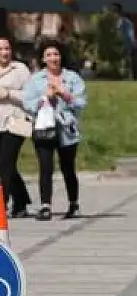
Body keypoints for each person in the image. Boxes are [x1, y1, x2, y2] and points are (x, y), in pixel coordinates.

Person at [22, 39, 86, 221]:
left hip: (67, 128)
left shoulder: (72, 78)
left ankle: (73, 203)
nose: (53, 58)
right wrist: (44, 98)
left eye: (56, 54)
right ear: (43, 59)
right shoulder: (35, 80)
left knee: (68, 167)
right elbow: (27, 104)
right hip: (44, 127)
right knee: (45, 167)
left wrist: (65, 94)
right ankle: (45, 205)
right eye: (49, 55)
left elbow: (82, 103)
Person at [0, 37, 33, 218]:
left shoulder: (20, 69)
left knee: (6, 163)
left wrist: (9, 93)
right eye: (1, 49)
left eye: (7, 48)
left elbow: (30, 96)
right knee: (7, 165)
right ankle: (21, 201)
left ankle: (2, 204)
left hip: (16, 122)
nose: (5, 53)